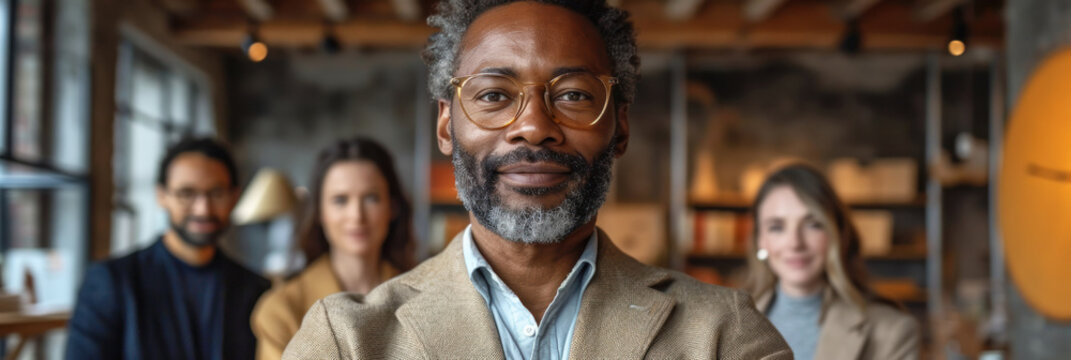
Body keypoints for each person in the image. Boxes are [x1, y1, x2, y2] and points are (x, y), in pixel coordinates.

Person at [282, 1, 791, 358]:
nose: (533, 127)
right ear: (445, 125)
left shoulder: (724, 336)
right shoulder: (347, 341)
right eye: (494, 95)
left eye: (572, 95)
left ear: (621, 127)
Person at [66, 137, 270, 360]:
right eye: (186, 193)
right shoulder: (113, 281)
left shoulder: (256, 289)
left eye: (217, 193)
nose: (203, 209)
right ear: (162, 196)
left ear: (234, 197)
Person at [250, 137, 416, 360]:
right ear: (320, 212)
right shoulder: (282, 309)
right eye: (340, 200)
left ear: (392, 207)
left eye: (371, 198)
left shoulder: (421, 301)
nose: (356, 215)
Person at [744, 164, 920, 360]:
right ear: (760, 239)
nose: (795, 243)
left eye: (813, 224)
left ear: (837, 234)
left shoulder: (892, 331)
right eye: (776, 227)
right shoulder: (728, 323)